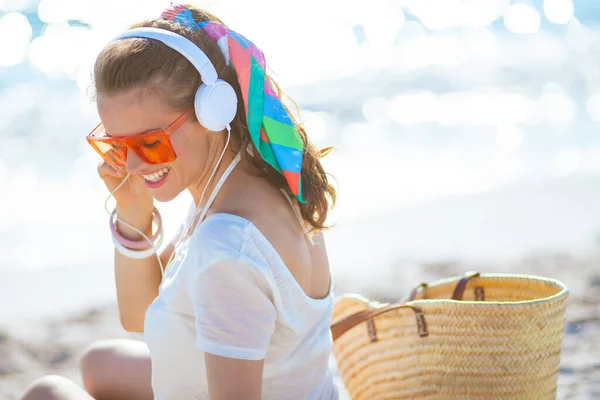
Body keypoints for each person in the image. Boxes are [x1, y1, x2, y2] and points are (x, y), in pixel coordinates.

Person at [21, 3, 338, 400]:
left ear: (212, 113)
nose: (133, 164)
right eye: (116, 146)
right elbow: (140, 313)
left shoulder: (226, 249)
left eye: (150, 142)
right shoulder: (254, 182)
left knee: (46, 391)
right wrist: (132, 216)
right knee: (98, 363)